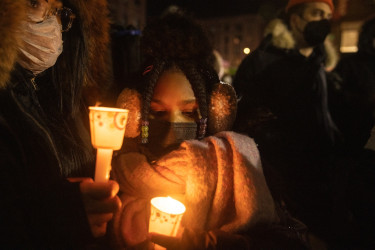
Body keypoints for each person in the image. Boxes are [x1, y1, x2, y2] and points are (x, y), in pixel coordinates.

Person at [110, 12, 309, 249]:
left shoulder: (243, 167)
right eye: (159, 113)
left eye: (189, 112)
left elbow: (289, 242)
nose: (174, 124)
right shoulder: (110, 181)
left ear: (216, 113)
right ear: (134, 114)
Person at [0, 0, 121, 248]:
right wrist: (54, 218)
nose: (52, 25)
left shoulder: (67, 98)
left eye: (59, 12)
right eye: (35, 4)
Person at [232, 0, 343, 246]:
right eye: (316, 13)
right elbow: (242, 119)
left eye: (327, 15)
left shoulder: (323, 64)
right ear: (295, 19)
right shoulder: (263, 61)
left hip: (322, 177)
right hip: (281, 181)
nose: (323, 20)